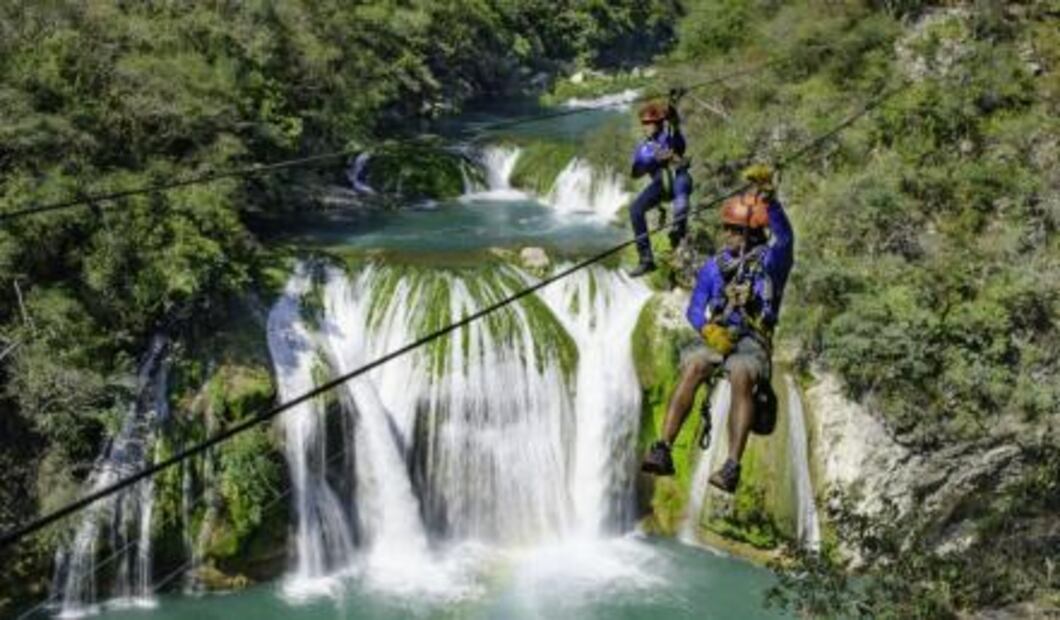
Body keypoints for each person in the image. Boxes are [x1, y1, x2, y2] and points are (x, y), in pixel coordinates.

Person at [640, 165, 794, 493]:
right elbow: (695, 307)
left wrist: (771, 201)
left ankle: (731, 467)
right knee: (693, 365)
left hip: (753, 339)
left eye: (735, 230)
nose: (728, 236)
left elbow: (786, 238)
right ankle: (663, 448)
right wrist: (706, 328)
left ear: (752, 234)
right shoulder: (714, 267)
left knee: (741, 373)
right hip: (720, 333)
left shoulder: (771, 263)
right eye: (727, 229)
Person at [626, 91, 693, 277]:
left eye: (649, 123)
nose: (645, 127)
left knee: (682, 186)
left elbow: (673, 121)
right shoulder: (644, 148)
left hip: (678, 177)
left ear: (658, 123)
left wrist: (671, 104)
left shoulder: (668, 136)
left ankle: (679, 226)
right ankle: (646, 259)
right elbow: (635, 172)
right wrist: (652, 161)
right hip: (660, 183)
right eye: (644, 124)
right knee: (635, 210)